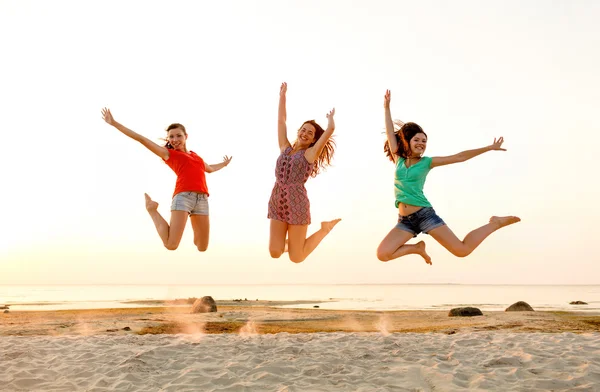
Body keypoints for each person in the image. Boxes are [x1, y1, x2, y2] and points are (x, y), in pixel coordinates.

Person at [376, 90, 520, 265]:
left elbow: (459, 157)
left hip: (424, 215)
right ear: (407, 141)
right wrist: (386, 107)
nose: (421, 143)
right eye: (417, 140)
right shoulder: (398, 159)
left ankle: (495, 223)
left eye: (424, 141)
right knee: (383, 254)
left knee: (462, 250)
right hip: (405, 221)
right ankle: (417, 249)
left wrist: (488, 148)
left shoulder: (427, 162)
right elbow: (391, 133)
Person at [101, 108, 232, 251]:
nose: (175, 140)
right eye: (171, 137)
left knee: (202, 247)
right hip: (183, 197)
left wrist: (224, 164)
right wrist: (114, 123)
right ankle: (152, 209)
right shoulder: (169, 154)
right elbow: (142, 139)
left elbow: (210, 169)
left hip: (202, 200)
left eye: (178, 136)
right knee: (171, 245)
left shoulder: (196, 156)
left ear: (186, 136)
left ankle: (194, 228)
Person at [268, 82, 341, 263]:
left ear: (313, 140)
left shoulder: (310, 154)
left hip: (297, 204)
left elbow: (330, 131)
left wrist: (330, 120)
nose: (306, 133)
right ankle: (293, 243)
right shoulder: (285, 148)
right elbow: (281, 121)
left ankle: (324, 229)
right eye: (304, 130)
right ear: (298, 131)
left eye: (310, 133)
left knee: (297, 257)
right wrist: (282, 96)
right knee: (275, 252)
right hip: (277, 200)